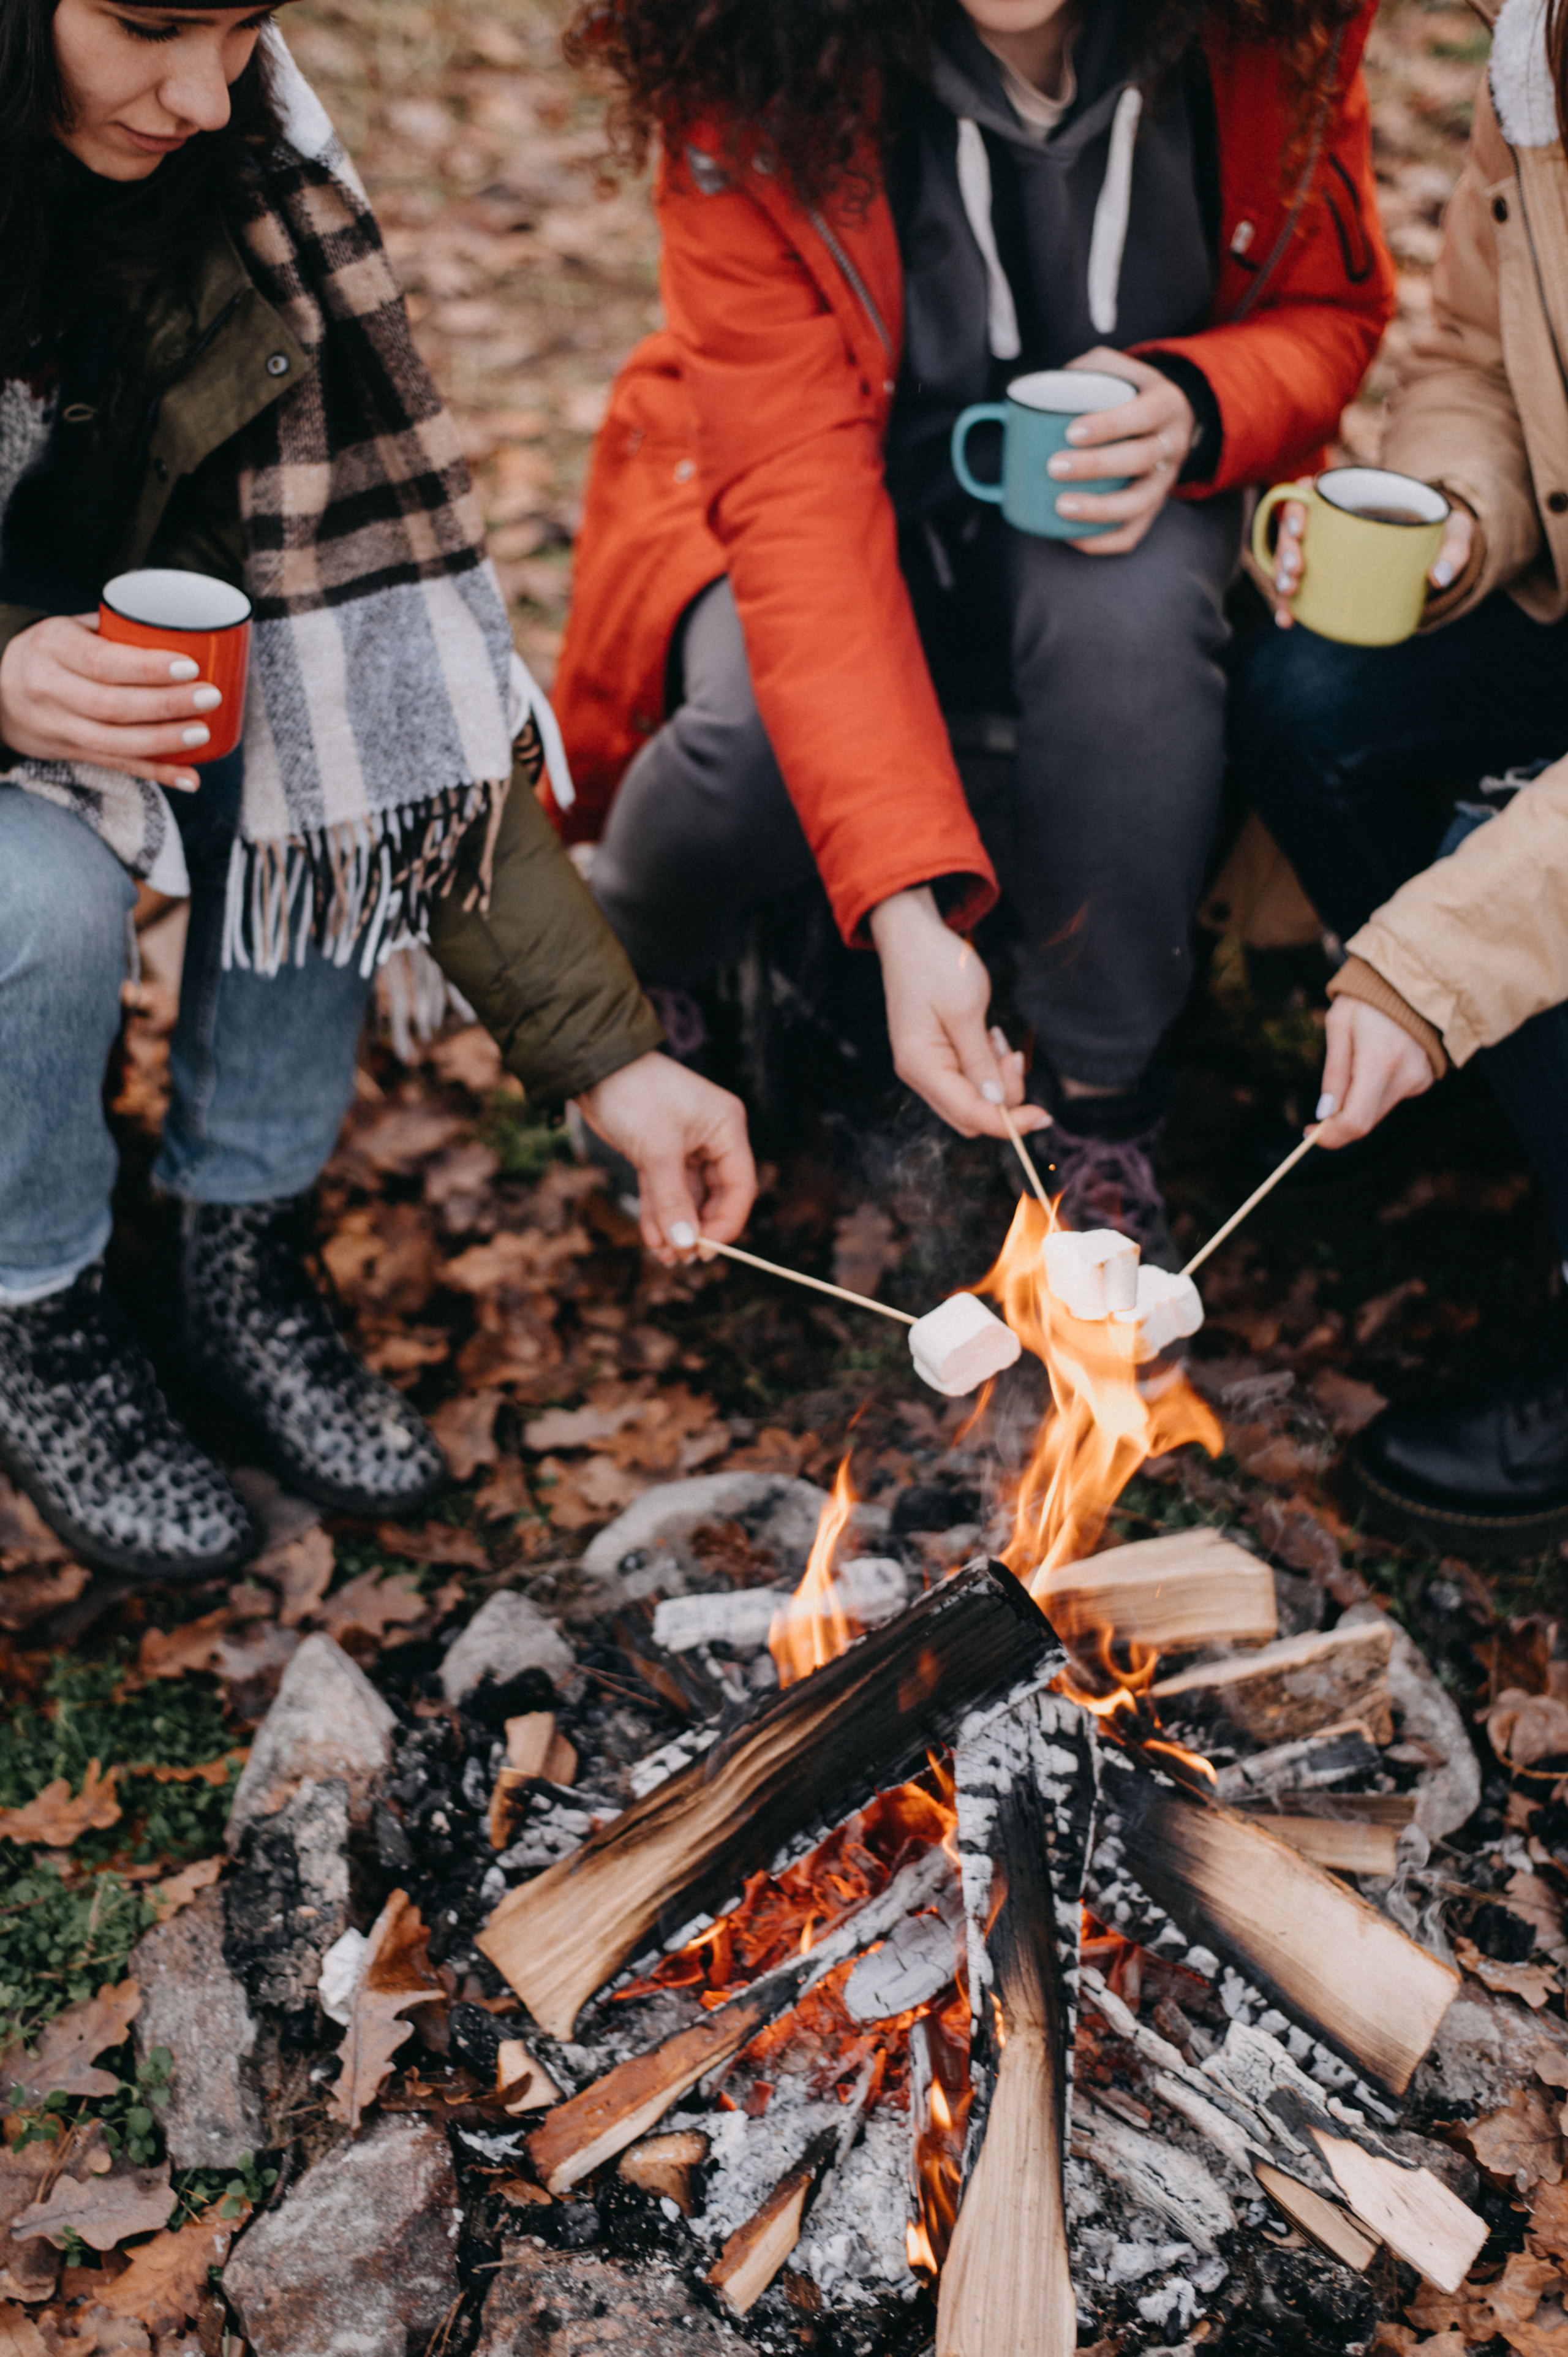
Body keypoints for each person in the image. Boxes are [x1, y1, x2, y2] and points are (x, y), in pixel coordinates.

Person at [0, 0, 755, 1586]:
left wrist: (618, 1064)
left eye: (243, 28)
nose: (205, 95)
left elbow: (389, 684)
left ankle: (236, 1253)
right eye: (146, 26)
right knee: (43, 902)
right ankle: (37, 1304)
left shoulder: (260, 193)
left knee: (324, 744)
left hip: (104, 683)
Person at [546, 0, 1395, 1258]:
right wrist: (903, 906)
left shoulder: (1268, 34)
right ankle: (644, 960)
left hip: (1120, 501)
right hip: (834, 497)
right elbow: (794, 506)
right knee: (762, 741)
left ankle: (1103, 1105)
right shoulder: (748, 61)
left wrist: (1202, 398)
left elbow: (1332, 309)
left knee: (1133, 624)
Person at [1227, 0, 1568, 1554]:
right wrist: (1455, 516)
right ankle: (1490, 1137)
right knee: (1315, 695)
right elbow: (1467, 354)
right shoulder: (1540, 51)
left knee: (1489, 856)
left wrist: (1432, 963)